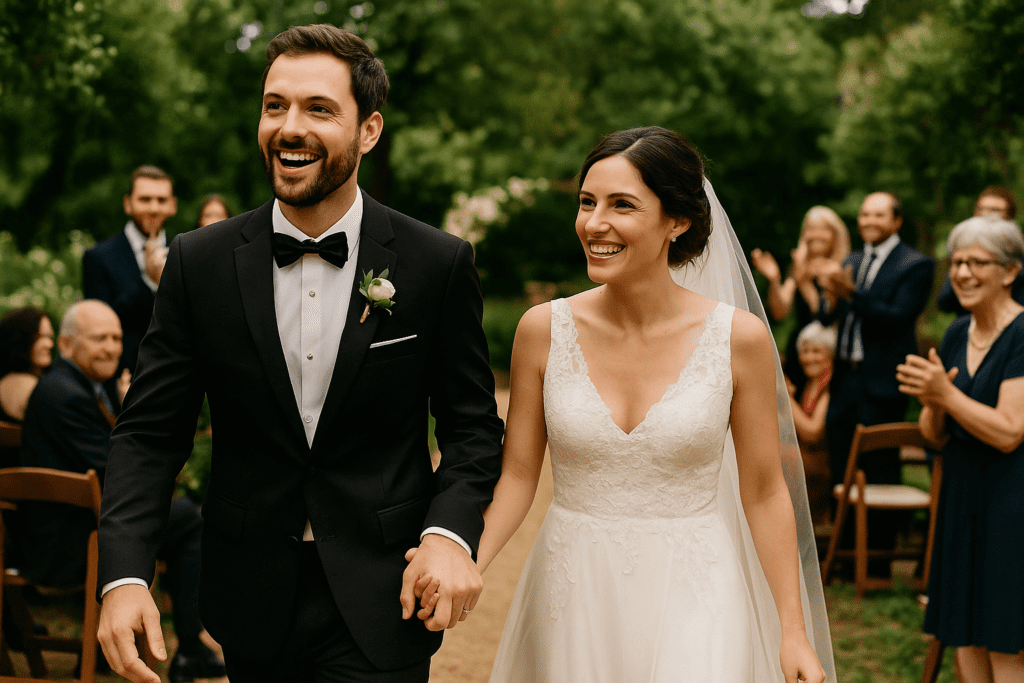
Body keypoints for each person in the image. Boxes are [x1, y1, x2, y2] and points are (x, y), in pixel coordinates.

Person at [96, 24, 504, 683]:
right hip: (250, 593)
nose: (289, 127)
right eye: (274, 105)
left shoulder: (437, 263)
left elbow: (473, 429)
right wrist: (122, 574)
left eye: (318, 109)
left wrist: (448, 536)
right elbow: (147, 435)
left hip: (385, 593)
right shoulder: (198, 265)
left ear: (369, 130)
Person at [474, 127, 832, 682]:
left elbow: (763, 491)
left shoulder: (739, 339)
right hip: (574, 589)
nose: (594, 224)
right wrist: (467, 564)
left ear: (677, 221)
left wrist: (792, 630)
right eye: (587, 203)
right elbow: (519, 475)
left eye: (622, 205)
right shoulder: (543, 330)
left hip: (699, 589)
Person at [18, 300, 222, 682]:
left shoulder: (86, 386)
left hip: (86, 525)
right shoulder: (66, 394)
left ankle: (189, 647)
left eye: (115, 337)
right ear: (66, 346)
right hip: (66, 545)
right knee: (192, 518)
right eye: (99, 339)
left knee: (185, 514)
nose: (112, 347)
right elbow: (123, 471)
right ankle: (190, 649)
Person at [897, 214, 1024, 683]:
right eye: (958, 262)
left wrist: (947, 396)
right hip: (961, 497)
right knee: (965, 633)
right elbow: (934, 435)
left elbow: (1010, 431)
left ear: (1010, 272)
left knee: (1005, 640)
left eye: (978, 262)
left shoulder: (1022, 335)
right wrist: (932, 403)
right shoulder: (955, 334)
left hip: (1010, 504)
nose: (963, 273)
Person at [815, 193, 933, 556]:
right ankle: (846, 555)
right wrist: (831, 298)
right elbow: (826, 318)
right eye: (865, 215)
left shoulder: (914, 264)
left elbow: (897, 318)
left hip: (881, 382)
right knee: (841, 464)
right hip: (845, 378)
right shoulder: (851, 259)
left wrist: (852, 293)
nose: (869, 221)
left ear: (896, 221)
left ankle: (879, 559)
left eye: (879, 215)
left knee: (880, 467)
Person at [82, 165, 177, 377]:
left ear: (173, 205)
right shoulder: (98, 257)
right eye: (145, 199)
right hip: (121, 377)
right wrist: (150, 284)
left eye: (161, 200)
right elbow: (98, 323)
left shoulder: (183, 253)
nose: (154, 208)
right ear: (128, 204)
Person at [751, 206, 850, 391]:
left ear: (836, 235)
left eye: (823, 229)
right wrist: (774, 280)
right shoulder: (798, 270)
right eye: (811, 229)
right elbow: (780, 312)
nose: (816, 235)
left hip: (828, 355)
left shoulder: (841, 270)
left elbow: (823, 317)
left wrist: (804, 282)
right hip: (800, 352)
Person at [938, 186, 1024, 315]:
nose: (985, 214)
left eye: (995, 210)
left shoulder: (1018, 253)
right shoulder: (964, 250)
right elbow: (945, 302)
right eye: (980, 209)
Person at [786, 321, 836, 526]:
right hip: (806, 457)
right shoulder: (811, 382)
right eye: (805, 351)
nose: (809, 358)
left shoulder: (830, 385)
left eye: (817, 351)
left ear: (831, 354)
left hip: (823, 461)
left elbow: (814, 431)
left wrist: (785, 399)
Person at [0, 307, 54, 426]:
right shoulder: (29, 386)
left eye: (49, 337)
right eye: (39, 337)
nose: (49, 344)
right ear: (18, 339)